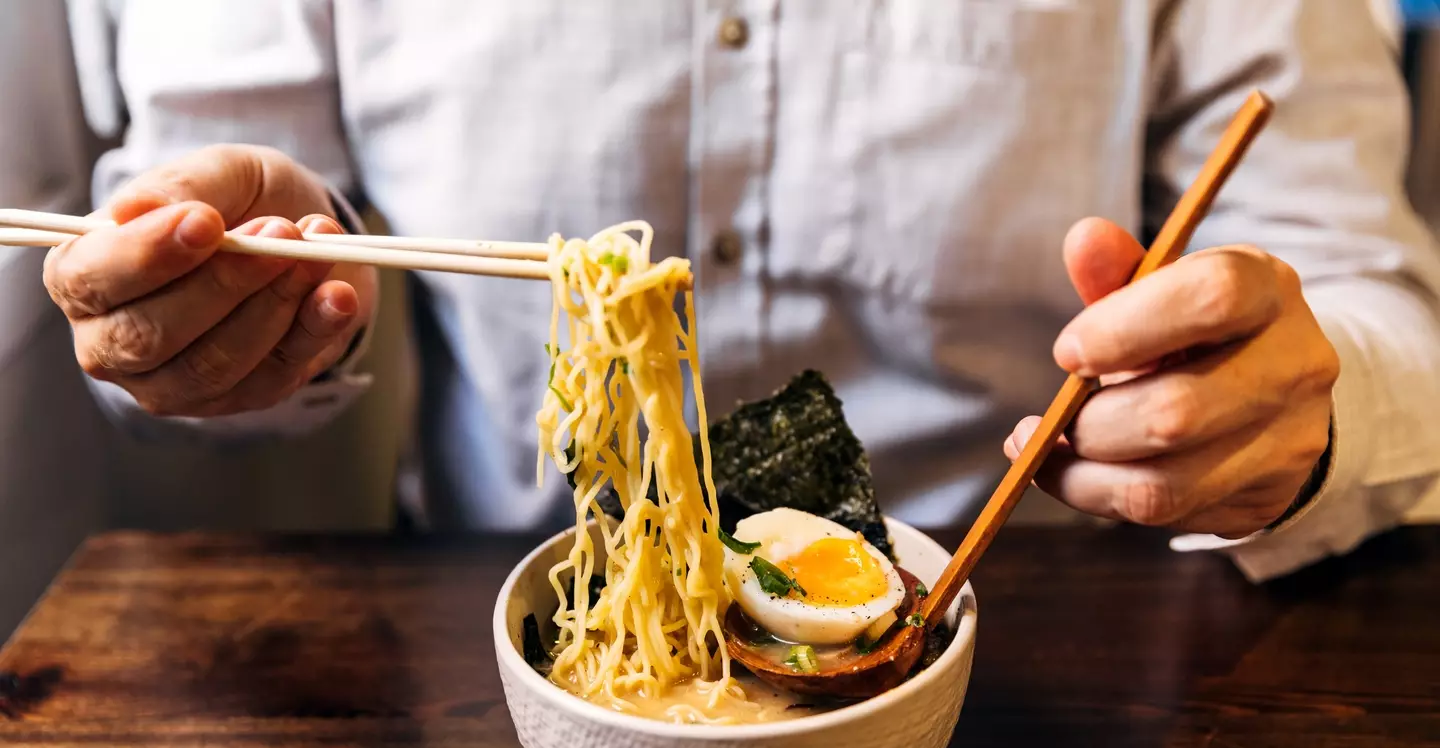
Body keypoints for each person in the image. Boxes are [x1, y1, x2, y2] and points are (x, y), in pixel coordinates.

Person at [40, 0, 1440, 582]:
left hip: (1027, 648)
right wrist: (244, 294)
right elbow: (213, 208)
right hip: (512, 642)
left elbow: (1368, 300)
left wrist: (1288, 413)